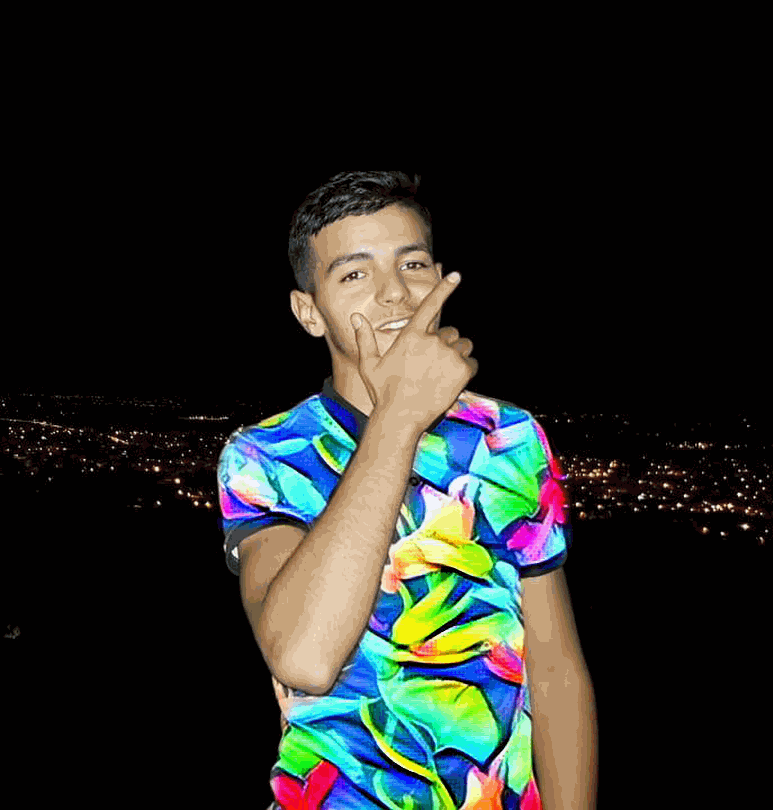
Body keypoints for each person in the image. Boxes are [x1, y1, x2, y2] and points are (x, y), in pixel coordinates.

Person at [216, 172, 598, 809]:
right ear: (309, 312)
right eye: (354, 273)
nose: (394, 291)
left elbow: (556, 669)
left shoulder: (508, 438)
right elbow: (304, 656)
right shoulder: (268, 454)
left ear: (441, 278)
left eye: (412, 263)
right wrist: (397, 417)